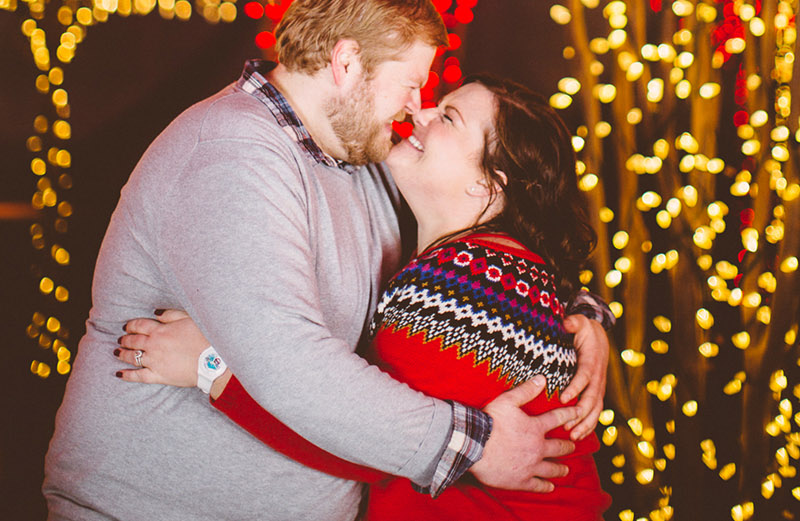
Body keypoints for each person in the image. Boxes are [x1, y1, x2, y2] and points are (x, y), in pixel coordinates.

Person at [42, 0, 609, 521]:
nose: (417, 108)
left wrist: (582, 321)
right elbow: (294, 369)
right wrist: (472, 445)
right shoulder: (232, 153)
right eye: (411, 84)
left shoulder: (361, 161)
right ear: (347, 63)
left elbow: (501, 242)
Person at [115, 72, 611, 518]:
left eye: (449, 117)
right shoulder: (499, 268)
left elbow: (368, 443)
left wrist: (209, 369)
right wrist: (592, 317)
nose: (421, 112)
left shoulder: (469, 282)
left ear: (486, 186)